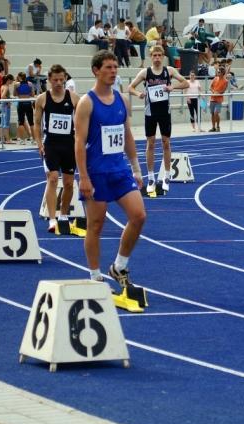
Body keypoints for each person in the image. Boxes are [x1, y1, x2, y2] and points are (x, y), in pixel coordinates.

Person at [74, 50, 147, 305]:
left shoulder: (121, 100)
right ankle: (95, 275)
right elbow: (79, 142)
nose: (113, 71)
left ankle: (119, 265)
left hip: (119, 170)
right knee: (96, 225)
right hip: (96, 173)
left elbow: (126, 135)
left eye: (115, 67)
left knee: (139, 216)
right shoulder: (87, 102)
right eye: (108, 67)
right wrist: (83, 177)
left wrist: (136, 168)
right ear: (96, 70)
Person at [128, 45, 188, 194]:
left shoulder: (170, 71)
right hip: (150, 113)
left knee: (166, 142)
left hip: (164, 112)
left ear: (163, 57)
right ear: (151, 57)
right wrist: (138, 94)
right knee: (151, 143)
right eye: (154, 55)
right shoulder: (145, 72)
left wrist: (172, 87)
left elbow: (185, 83)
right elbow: (130, 87)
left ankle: (167, 176)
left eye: (159, 55)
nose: (156, 58)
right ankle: (151, 177)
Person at [34, 64, 80, 233]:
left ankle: (64, 216)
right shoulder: (42, 99)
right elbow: (37, 123)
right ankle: (52, 219)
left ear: (66, 78)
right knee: (53, 178)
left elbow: (82, 121)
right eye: (55, 80)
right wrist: (39, 143)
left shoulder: (74, 98)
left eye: (62, 79)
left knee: (68, 183)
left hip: (69, 145)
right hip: (51, 144)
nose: (59, 83)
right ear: (49, 80)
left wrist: (80, 141)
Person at [14, 72, 35, 144]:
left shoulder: (16, 84)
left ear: (19, 77)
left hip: (21, 103)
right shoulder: (30, 84)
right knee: (31, 122)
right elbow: (32, 94)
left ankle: (23, 140)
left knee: (21, 122)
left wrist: (20, 92)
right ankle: (34, 140)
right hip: (28, 103)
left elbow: (14, 94)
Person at [208, 67, 228, 133]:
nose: (217, 73)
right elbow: (210, 87)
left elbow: (224, 90)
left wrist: (218, 93)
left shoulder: (225, 81)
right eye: (217, 72)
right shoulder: (215, 78)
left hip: (219, 99)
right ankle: (213, 127)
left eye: (219, 72)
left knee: (216, 113)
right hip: (212, 98)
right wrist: (213, 91)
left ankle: (218, 126)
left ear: (222, 73)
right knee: (212, 113)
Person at [0, 74, 15, 144]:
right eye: (12, 81)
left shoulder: (2, 86)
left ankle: (2, 139)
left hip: (2, 105)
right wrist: (9, 100)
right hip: (5, 106)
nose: (12, 82)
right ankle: (8, 140)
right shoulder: (6, 87)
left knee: (2, 123)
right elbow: (2, 96)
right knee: (6, 123)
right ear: (9, 80)